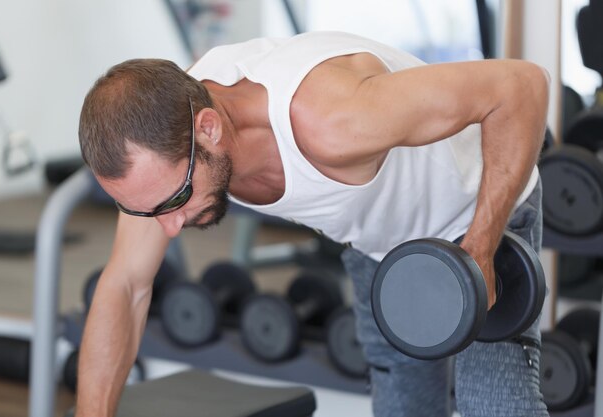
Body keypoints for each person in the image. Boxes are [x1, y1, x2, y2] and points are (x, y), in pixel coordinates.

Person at [76, 31, 550, 417]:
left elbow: (520, 86)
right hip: (375, 238)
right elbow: (125, 286)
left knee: (496, 407)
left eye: (176, 200)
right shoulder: (158, 140)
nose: (171, 227)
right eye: (149, 210)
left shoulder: (334, 119)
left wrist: (482, 248)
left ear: (209, 129)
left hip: (478, 208)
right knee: (403, 405)